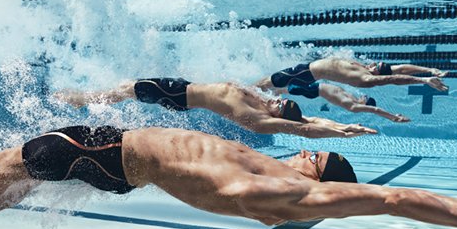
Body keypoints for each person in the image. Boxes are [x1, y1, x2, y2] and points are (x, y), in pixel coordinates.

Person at [0, 125, 457, 229]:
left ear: (317, 174)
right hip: (118, 155)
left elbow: (388, 199)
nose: (303, 151)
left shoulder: (296, 194)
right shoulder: (274, 171)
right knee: (13, 162)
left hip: (119, 156)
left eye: (314, 153)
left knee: (17, 158)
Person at [52, 78, 377, 139]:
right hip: (182, 85)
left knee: (125, 89)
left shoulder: (263, 120)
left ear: (277, 117)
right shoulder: (264, 102)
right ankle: (88, 99)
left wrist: (345, 131)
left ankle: (84, 101)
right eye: (284, 99)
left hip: (179, 96)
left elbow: (304, 127)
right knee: (125, 88)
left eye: (282, 105)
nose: (278, 99)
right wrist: (339, 124)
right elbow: (308, 118)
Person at [253, 57, 448, 94]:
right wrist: (429, 70)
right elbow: (401, 69)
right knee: (269, 85)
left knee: (268, 83)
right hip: (306, 67)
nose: (371, 64)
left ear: (378, 73)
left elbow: (395, 78)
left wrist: (423, 81)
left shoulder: (367, 79)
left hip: (305, 73)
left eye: (376, 66)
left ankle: (246, 91)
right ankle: (250, 91)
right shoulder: (369, 69)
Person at [266, 80, 411, 123]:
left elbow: (376, 110)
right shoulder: (353, 98)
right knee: (284, 86)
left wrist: (393, 117)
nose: (364, 96)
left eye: (366, 98)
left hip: (313, 90)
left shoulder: (353, 105)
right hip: (314, 88)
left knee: (282, 89)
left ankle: (266, 93)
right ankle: (268, 91)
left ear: (366, 104)